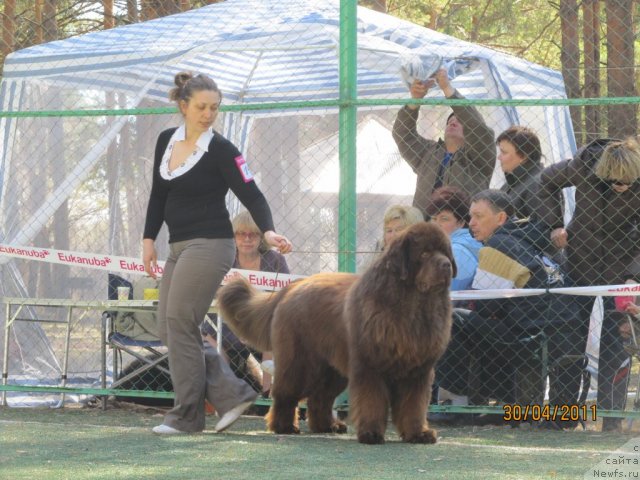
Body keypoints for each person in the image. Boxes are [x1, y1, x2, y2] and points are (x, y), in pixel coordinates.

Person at [142, 71, 292, 435]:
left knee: (180, 320)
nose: (209, 114)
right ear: (183, 106)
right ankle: (231, 394)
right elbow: (159, 195)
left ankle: (185, 416)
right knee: (169, 326)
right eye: (201, 107)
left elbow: (251, 193)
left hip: (210, 244)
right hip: (177, 245)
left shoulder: (223, 149)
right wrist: (149, 239)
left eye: (215, 108)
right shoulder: (166, 140)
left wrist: (268, 230)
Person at [435, 190, 578, 425]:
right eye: (470, 217)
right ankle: (506, 405)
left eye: (479, 216)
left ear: (500, 218)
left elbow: (485, 303)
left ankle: (454, 405)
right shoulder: (526, 238)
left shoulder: (498, 244)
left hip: (533, 335)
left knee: (452, 318)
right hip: (562, 329)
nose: (471, 223)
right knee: (487, 323)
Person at [538, 137, 640, 432]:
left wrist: (635, 274)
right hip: (579, 264)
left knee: (617, 344)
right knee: (568, 338)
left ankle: (612, 420)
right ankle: (562, 415)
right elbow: (546, 181)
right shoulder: (583, 166)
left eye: (628, 183)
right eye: (615, 182)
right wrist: (555, 223)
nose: (622, 187)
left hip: (621, 272)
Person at [201, 210, 290, 396]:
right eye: (241, 233)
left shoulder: (275, 260)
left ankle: (269, 393)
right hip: (226, 322)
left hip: (261, 323)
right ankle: (227, 394)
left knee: (274, 333)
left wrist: (253, 322)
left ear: (261, 238)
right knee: (205, 338)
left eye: (253, 234)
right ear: (233, 236)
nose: (247, 239)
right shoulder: (224, 260)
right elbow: (210, 291)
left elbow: (285, 295)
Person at [392, 68, 496, 217]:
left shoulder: (479, 156)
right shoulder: (428, 152)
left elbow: (478, 128)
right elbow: (402, 134)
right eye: (450, 120)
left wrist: (447, 89)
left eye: (459, 121)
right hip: (424, 230)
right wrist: (415, 100)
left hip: (464, 227)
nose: (453, 122)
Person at [426, 186, 481, 291]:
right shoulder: (463, 243)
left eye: (444, 219)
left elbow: (443, 292)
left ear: (461, 223)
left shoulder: (457, 251)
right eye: (434, 218)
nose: (437, 224)